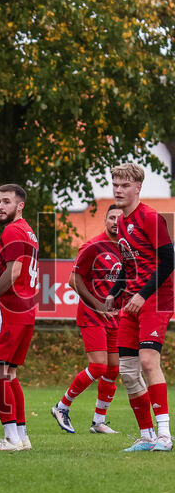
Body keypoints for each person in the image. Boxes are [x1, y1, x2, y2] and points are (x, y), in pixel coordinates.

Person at [104, 163, 174, 452]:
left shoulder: (150, 217)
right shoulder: (121, 222)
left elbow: (169, 261)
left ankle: (165, 436)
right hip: (133, 299)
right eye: (115, 184)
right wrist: (113, 293)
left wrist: (143, 296)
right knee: (128, 371)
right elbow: (129, 264)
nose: (119, 190)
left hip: (156, 298)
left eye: (124, 185)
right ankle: (146, 437)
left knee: (147, 362)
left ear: (137, 188)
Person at [50, 204, 123, 434]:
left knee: (113, 369)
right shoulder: (93, 246)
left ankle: (98, 421)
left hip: (115, 316)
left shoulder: (127, 250)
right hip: (92, 314)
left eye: (119, 219)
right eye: (111, 217)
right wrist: (97, 305)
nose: (115, 222)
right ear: (105, 220)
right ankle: (62, 407)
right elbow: (73, 280)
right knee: (99, 366)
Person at [0, 184, 39, 451]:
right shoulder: (29, 231)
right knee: (10, 374)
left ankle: (10, 438)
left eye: (6, 201)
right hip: (27, 310)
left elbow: (15, 271)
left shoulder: (13, 230)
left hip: (11, 309)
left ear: (20, 206)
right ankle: (21, 436)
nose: (0, 206)